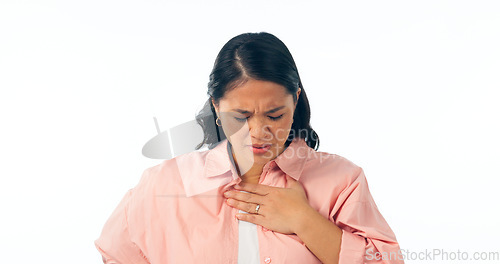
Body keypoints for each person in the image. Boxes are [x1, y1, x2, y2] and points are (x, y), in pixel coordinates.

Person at [94, 32, 404, 264]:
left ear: (295, 100)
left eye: (274, 115)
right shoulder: (165, 184)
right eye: (240, 117)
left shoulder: (341, 181)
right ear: (216, 107)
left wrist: (304, 221)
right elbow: (116, 254)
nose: (258, 132)